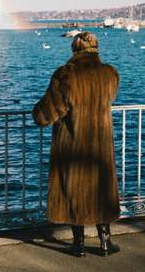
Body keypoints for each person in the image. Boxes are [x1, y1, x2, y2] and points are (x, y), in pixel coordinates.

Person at [33, 31, 120, 257]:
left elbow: (48, 113)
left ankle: (78, 244)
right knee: (101, 189)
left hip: (72, 144)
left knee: (74, 189)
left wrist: (38, 114)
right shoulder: (110, 73)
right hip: (100, 144)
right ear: (96, 47)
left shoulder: (67, 74)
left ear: (74, 49)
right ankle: (105, 242)